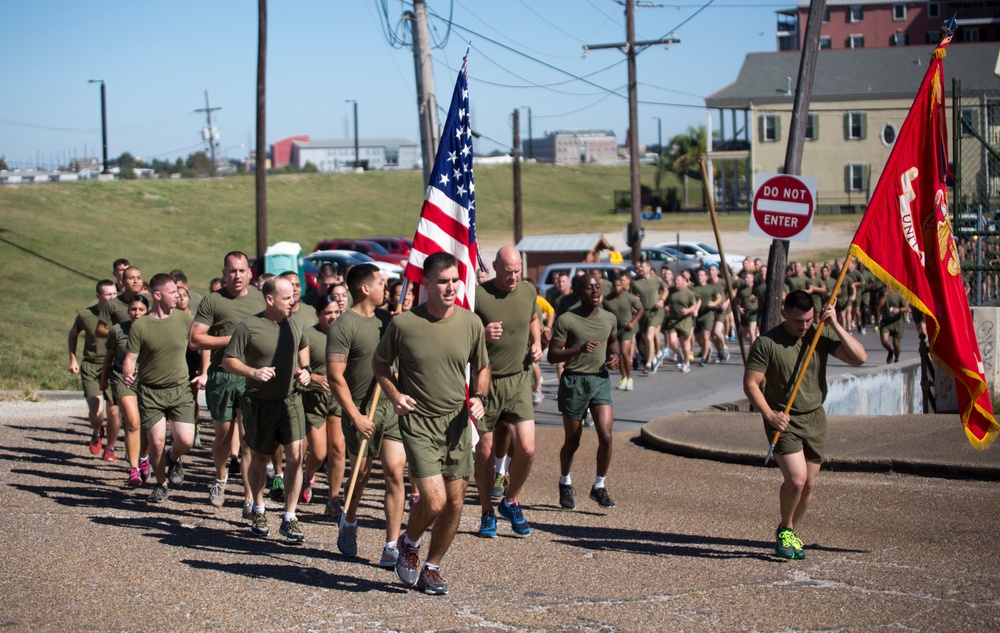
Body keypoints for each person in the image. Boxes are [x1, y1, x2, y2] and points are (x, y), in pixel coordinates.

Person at [373, 252, 490, 596]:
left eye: (455, 280)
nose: (451, 287)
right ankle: (409, 543)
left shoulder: (470, 323)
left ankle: (432, 567)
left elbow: (482, 366)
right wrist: (394, 394)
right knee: (435, 500)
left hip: (456, 423)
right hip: (418, 422)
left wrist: (480, 397)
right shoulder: (404, 325)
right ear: (426, 285)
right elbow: (380, 364)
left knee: (455, 502)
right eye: (443, 281)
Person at [743, 290, 866, 560]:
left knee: (809, 484)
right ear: (784, 312)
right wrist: (769, 415)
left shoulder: (819, 334)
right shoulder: (766, 342)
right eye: (799, 320)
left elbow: (859, 358)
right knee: (796, 480)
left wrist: (834, 324)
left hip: (815, 416)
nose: (804, 326)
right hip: (783, 418)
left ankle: (790, 532)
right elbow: (751, 384)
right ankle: (786, 529)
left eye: (809, 320)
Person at [222, 276, 312, 544]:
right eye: (286, 298)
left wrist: (305, 370)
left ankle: (290, 516)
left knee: (296, 454)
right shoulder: (249, 327)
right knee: (260, 458)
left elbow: (304, 346)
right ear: (270, 299)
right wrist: (253, 371)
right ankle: (259, 508)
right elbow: (228, 360)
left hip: (290, 399)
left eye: (293, 296)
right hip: (259, 401)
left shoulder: (296, 322)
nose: (292, 301)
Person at [327, 264, 406, 565]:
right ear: (365, 288)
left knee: (395, 472)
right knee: (360, 475)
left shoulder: (388, 321)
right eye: (381, 283)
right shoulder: (342, 326)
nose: (385, 288)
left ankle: (391, 545)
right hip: (360, 410)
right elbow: (336, 377)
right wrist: (355, 416)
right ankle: (349, 520)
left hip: (390, 405)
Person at [190, 252, 266, 514]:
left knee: (248, 440)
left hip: (252, 375)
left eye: (241, 271)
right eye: (232, 271)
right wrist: (232, 339)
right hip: (222, 375)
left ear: (249, 273)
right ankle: (220, 477)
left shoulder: (260, 298)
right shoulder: (213, 301)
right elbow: (196, 340)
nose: (237, 276)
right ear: (224, 273)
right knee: (223, 437)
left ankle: (249, 496)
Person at [473, 246, 542, 538]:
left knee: (526, 448)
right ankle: (487, 511)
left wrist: (537, 342)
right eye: (508, 272)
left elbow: (533, 319)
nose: (514, 277)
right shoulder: (479, 295)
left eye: (518, 271)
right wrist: (482, 334)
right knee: (485, 451)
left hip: (519, 379)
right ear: (495, 267)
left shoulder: (527, 291)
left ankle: (511, 500)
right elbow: (462, 330)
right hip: (487, 380)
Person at [122, 273, 198, 504]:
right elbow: (130, 358)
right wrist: (128, 372)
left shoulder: (185, 320)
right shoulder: (141, 325)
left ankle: (173, 457)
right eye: (173, 292)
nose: (178, 296)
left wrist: (204, 371)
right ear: (158, 295)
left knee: (186, 441)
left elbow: (201, 343)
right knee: (155, 441)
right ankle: (160, 484)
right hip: (151, 392)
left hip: (179, 390)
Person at [548, 273, 620, 510]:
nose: (595, 291)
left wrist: (615, 356)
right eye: (589, 288)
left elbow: (613, 341)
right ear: (578, 292)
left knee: (607, 437)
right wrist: (578, 349)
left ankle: (599, 486)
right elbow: (552, 355)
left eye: (597, 287)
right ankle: (565, 482)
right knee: (573, 440)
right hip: (574, 382)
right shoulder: (567, 319)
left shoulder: (609, 317)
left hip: (600, 379)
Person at [101, 294, 150, 487]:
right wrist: (104, 379)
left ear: (147, 311)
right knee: (133, 422)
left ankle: (144, 458)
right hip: (122, 379)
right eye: (133, 309)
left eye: (141, 310)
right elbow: (109, 356)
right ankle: (133, 469)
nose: (136, 313)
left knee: (147, 425)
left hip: (146, 380)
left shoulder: (153, 329)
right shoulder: (117, 330)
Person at [299, 294, 343, 510]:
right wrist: (315, 378)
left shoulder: (346, 335)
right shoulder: (309, 336)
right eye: (328, 313)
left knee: (338, 449)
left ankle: (333, 498)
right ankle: (308, 476)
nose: (333, 316)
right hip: (314, 400)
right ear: (318, 314)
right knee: (318, 452)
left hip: (339, 400)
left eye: (336, 312)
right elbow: (298, 369)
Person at [69, 279, 120, 458]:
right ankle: (98, 431)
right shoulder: (86, 315)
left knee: (113, 412)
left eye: (115, 294)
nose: (112, 297)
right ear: (98, 296)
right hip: (91, 366)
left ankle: (111, 447)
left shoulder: (121, 315)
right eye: (108, 294)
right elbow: (73, 334)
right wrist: (73, 358)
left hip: (115, 366)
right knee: (96, 410)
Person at [602, 274, 643, 391]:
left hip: (627, 329)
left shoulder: (629, 297)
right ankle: (623, 377)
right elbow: (602, 313)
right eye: (614, 286)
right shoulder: (607, 300)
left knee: (624, 352)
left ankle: (630, 378)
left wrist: (633, 322)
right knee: (617, 354)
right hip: (614, 330)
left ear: (623, 286)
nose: (616, 288)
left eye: (619, 285)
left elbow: (641, 309)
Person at [631, 260, 669, 374]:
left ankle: (649, 362)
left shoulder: (656, 280)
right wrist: (634, 300)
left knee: (649, 335)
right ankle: (653, 359)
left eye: (642, 267)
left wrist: (662, 300)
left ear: (648, 268)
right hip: (643, 312)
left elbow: (666, 290)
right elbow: (632, 295)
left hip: (656, 311)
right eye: (639, 267)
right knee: (645, 337)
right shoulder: (635, 282)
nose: (640, 269)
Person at [665, 273, 699, 373]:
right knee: (672, 342)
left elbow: (694, 305)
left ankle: (686, 363)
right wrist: (666, 307)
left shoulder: (688, 293)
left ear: (684, 281)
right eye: (675, 280)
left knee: (684, 342)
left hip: (685, 320)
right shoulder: (671, 290)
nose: (676, 282)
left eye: (678, 280)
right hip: (673, 319)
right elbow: (666, 302)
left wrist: (688, 311)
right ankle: (679, 355)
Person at [877, 289, 909, 364]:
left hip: (897, 322)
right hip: (886, 322)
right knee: (884, 340)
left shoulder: (898, 292)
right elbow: (879, 307)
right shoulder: (881, 293)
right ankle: (890, 351)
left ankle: (896, 359)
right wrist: (884, 295)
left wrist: (899, 310)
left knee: (896, 343)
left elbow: (907, 308)